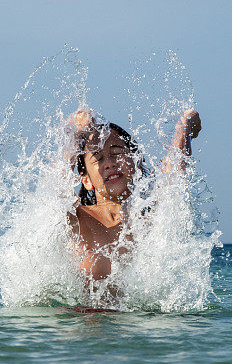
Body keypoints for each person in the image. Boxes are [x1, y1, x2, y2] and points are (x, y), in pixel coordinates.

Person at [66, 108, 202, 282]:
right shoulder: (75, 219)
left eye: (116, 152)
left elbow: (174, 178)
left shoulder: (153, 222)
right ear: (86, 180)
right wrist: (75, 134)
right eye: (98, 159)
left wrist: (184, 127)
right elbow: (53, 192)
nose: (109, 163)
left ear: (137, 162)